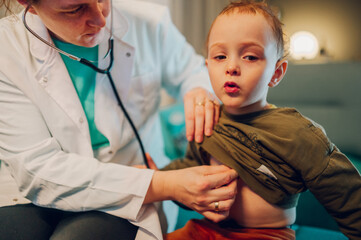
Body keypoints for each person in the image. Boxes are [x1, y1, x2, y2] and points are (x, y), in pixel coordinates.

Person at [0, 0, 239, 239]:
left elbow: (195, 71)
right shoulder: (6, 49)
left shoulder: (149, 21)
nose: (101, 19)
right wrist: (165, 184)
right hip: (38, 192)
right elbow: (38, 168)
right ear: (28, 4)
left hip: (132, 190)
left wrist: (200, 90)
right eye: (75, 9)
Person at [159, 1, 361, 239]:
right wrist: (155, 175)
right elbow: (189, 169)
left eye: (250, 57)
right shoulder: (209, 119)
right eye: (220, 56)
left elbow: (346, 195)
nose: (232, 67)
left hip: (265, 234)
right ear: (207, 67)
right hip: (207, 229)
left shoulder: (296, 132)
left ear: (276, 73)